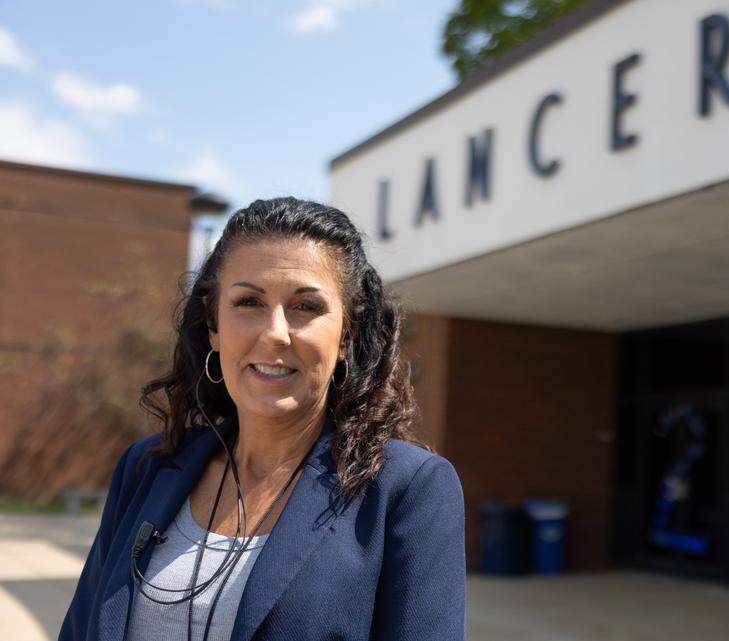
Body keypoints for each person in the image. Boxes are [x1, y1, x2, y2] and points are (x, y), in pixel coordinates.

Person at [58, 197, 466, 641]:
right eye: (249, 301)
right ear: (213, 326)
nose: (274, 332)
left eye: (306, 306)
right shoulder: (147, 467)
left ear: (347, 334)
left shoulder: (407, 489)